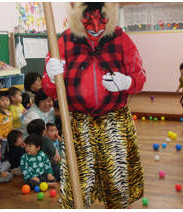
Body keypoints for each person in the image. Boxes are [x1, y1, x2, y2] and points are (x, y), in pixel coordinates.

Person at [42, 3, 146, 209]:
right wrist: (51, 77)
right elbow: (49, 90)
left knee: (117, 179)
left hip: (114, 120)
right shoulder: (62, 41)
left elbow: (140, 77)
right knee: (78, 180)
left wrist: (128, 82)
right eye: (88, 18)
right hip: (78, 123)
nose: (96, 26)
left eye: (101, 17)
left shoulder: (120, 38)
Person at [0, 91, 13, 160]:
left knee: (8, 149)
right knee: (2, 150)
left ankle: (7, 160)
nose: (5, 102)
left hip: (8, 134)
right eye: (2, 100)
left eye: (7, 100)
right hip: (3, 137)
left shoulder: (8, 111)